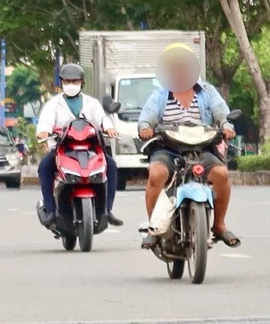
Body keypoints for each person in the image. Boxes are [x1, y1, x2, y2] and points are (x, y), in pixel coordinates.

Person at [138, 45, 240, 249]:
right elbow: (146, 119)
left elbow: (222, 115)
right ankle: (154, 227)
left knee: (221, 174)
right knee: (156, 174)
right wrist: (146, 128)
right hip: (168, 149)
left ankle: (219, 225)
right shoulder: (160, 94)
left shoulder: (208, 91)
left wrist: (227, 127)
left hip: (202, 149)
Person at [35, 63, 123, 228]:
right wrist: (44, 131)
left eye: (74, 81)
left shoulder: (92, 103)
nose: (71, 84)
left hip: (91, 150)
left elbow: (102, 118)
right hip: (62, 149)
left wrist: (109, 127)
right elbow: (45, 121)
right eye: (67, 81)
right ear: (61, 82)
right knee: (45, 167)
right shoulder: (54, 104)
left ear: (82, 83)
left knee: (111, 165)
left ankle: (107, 210)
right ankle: (51, 210)